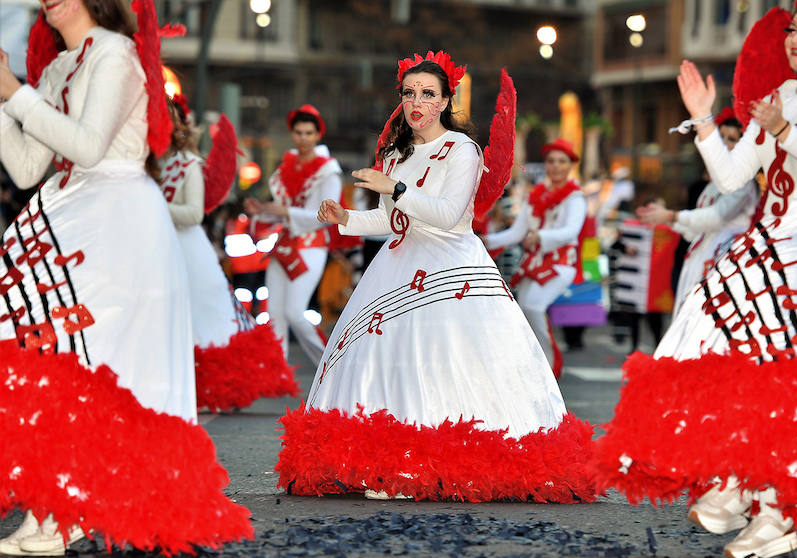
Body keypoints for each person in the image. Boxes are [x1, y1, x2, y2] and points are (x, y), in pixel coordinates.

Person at [593, 0, 797, 558]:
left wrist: (783, 127)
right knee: (720, 336)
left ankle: (784, 511)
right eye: (792, 29)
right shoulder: (778, 99)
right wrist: (706, 119)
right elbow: (733, 175)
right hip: (772, 243)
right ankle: (738, 475)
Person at [275, 51, 596, 503]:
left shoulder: (463, 149)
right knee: (392, 367)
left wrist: (396, 189)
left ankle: (436, 465)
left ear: (446, 100)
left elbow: (447, 216)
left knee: (445, 364)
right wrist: (343, 216)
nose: (417, 102)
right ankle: (391, 462)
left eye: (428, 94)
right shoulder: (394, 152)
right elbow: (391, 221)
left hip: (452, 268)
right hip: (396, 266)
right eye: (409, 93)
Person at [0, 0, 251, 556]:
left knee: (92, 363)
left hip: (114, 221)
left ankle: (76, 507)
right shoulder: (60, 67)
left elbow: (89, 147)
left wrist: (14, 92)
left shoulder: (116, 53)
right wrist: (3, 98)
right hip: (66, 214)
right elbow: (23, 167)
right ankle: (55, 502)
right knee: (53, 358)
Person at [161, 95, 297, 412]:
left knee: (208, 321)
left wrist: (153, 205)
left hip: (188, 253)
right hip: (159, 248)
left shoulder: (188, 164)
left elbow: (194, 213)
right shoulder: (148, 163)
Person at [244, 105, 340, 365]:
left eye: (309, 132)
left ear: (318, 135)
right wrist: (261, 211)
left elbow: (325, 216)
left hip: (311, 247)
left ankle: (330, 365)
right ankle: (278, 374)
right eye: (298, 132)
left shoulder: (328, 173)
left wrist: (284, 210)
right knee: (274, 313)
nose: (303, 138)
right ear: (292, 134)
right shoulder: (286, 168)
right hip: (284, 246)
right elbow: (281, 214)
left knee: (295, 312)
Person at [637, 108, 758, 315]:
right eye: (720, 138)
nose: (725, 145)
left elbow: (716, 217)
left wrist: (670, 215)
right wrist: (666, 219)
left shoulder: (744, 182)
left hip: (725, 259)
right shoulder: (712, 184)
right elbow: (695, 231)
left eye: (732, 140)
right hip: (702, 254)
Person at [482, 139, 586, 377]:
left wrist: (540, 236)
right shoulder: (534, 196)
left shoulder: (575, 198)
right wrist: (484, 241)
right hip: (533, 265)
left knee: (533, 306)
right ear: (546, 165)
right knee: (522, 314)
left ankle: (549, 367)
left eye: (562, 161)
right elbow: (516, 233)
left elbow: (571, 231)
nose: (556, 166)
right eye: (551, 161)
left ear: (570, 165)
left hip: (560, 265)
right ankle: (530, 366)